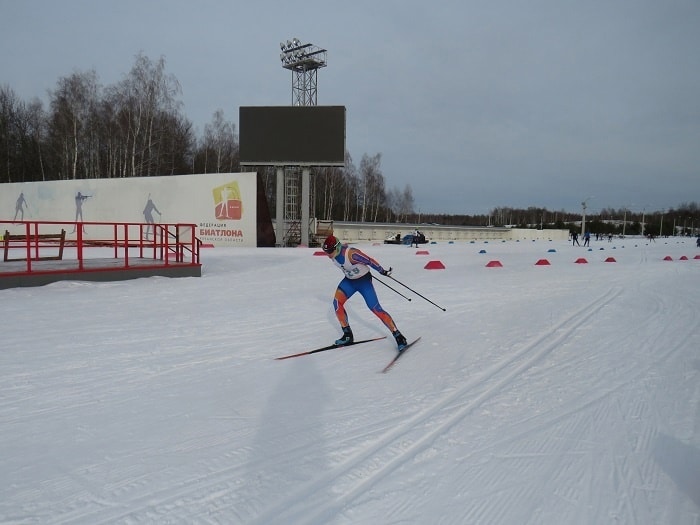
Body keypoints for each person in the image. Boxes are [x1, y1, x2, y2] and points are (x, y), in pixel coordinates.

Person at [322, 235, 408, 351]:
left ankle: (398, 336)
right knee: (337, 303)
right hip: (350, 281)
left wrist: (382, 271)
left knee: (375, 308)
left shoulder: (352, 254)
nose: (328, 255)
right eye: (326, 251)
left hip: (364, 282)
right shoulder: (334, 255)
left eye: (330, 251)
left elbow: (369, 261)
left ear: (337, 248)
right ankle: (347, 335)